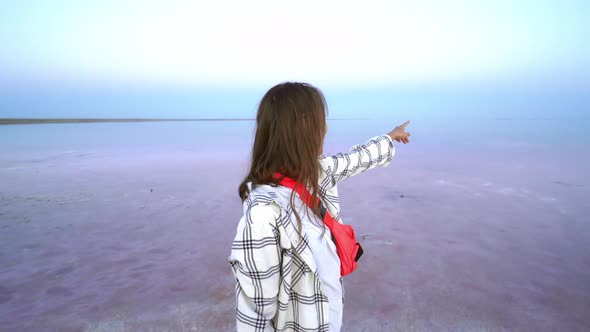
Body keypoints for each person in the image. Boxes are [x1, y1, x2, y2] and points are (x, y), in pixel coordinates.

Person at [228, 82, 411, 331]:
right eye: (320, 119)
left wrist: (389, 138)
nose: (325, 127)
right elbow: (255, 315)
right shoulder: (263, 213)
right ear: (301, 127)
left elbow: (355, 160)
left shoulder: (317, 173)